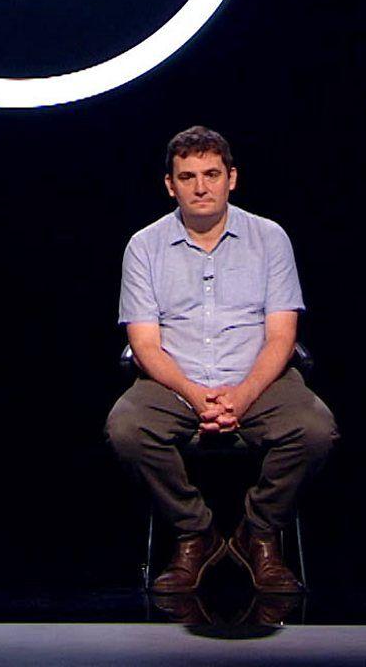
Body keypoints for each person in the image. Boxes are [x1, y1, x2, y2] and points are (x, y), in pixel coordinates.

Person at [106, 126, 338, 594]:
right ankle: (197, 533)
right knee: (126, 428)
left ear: (232, 178)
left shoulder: (269, 238)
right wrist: (196, 396)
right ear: (170, 185)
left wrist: (241, 396)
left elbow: (281, 336)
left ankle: (258, 533)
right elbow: (146, 344)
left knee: (315, 429)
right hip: (173, 381)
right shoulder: (144, 246)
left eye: (211, 174)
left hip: (259, 379)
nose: (201, 186)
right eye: (187, 176)